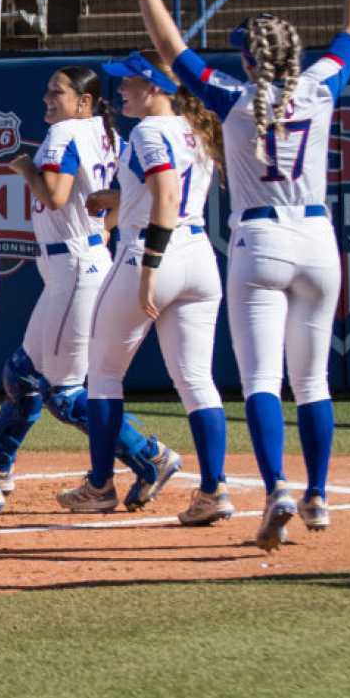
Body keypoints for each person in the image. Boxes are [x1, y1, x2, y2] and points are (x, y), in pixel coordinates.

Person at [119, 0, 350, 550]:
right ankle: (318, 495)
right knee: (314, 381)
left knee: (263, 382)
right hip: (318, 242)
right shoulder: (321, 87)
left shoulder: (234, 99)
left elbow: (170, 49)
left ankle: (278, 493)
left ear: (247, 56)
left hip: (259, 243)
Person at [0, 68, 180, 519]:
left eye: (57, 91)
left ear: (83, 101)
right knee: (22, 375)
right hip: (80, 260)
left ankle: (151, 456)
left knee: (63, 394)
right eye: (47, 90)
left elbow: (57, 196)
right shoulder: (105, 134)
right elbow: (126, 199)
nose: (47, 98)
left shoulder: (65, 132)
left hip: (76, 267)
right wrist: (100, 225)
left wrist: (23, 168)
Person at [54, 49, 228, 530]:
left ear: (153, 87)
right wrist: (120, 198)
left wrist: (150, 264)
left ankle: (100, 485)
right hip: (198, 256)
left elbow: (166, 194)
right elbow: (161, 192)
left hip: (153, 251)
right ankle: (214, 489)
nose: (121, 90)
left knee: (103, 375)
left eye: (129, 83)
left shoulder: (151, 130)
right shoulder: (193, 129)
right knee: (196, 380)